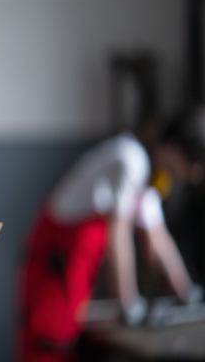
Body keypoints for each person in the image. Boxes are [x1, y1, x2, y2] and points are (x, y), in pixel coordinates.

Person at [17, 109, 205, 362]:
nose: (195, 175)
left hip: (76, 272)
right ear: (173, 148)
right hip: (53, 268)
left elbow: (159, 241)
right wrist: (128, 304)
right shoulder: (129, 158)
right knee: (48, 347)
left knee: (68, 345)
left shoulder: (148, 175)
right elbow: (119, 237)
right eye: (193, 164)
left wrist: (187, 294)